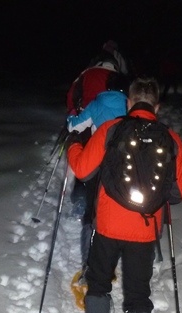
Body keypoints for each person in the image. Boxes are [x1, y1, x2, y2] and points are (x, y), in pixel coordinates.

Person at [66, 77, 182, 313]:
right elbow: (181, 192)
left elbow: (82, 169)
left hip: (108, 225)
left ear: (129, 102)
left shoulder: (112, 130)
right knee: (138, 298)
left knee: (99, 284)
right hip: (145, 232)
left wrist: (74, 144)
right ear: (156, 106)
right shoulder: (171, 139)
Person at [66, 76, 129, 286]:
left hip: (97, 164)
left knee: (93, 214)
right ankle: (110, 263)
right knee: (117, 212)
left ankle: (90, 266)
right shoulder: (129, 106)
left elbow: (75, 126)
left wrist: (71, 116)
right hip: (122, 167)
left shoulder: (97, 103)